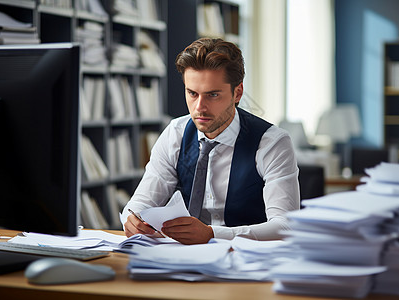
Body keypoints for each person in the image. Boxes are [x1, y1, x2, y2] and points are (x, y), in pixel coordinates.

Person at [122, 38, 300, 244]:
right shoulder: (175, 133)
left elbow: (285, 225)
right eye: (192, 93)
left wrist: (212, 234)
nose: (199, 107)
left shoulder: (272, 142)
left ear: (237, 93)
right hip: (181, 258)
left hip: (249, 260)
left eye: (212, 95)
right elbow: (139, 204)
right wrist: (132, 219)